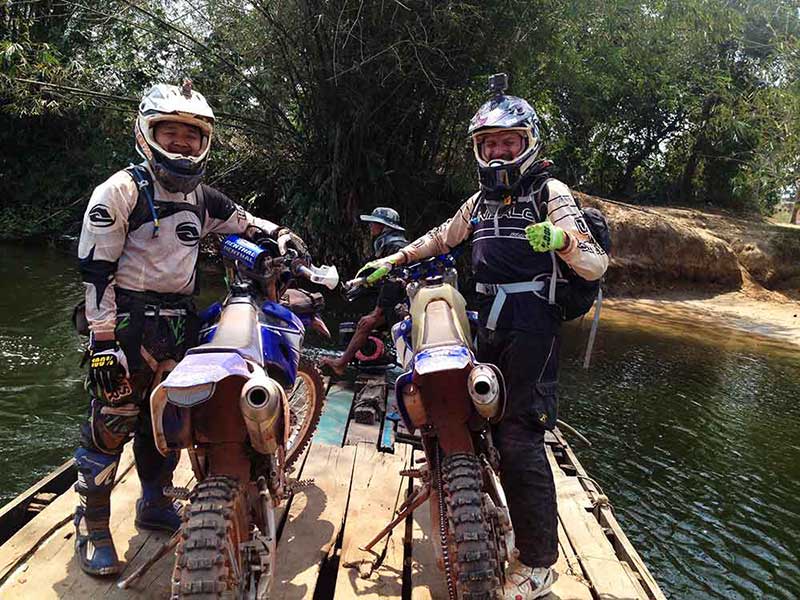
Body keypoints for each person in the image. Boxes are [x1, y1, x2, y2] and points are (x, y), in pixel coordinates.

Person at [357, 80, 608, 599]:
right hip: (487, 322)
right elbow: (441, 238)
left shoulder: (549, 193)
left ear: (527, 143)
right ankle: (484, 505)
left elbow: (595, 261)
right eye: (489, 143)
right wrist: (394, 259)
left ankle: (538, 563)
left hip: (533, 323)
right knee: (482, 417)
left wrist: (562, 240)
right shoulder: (479, 202)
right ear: (478, 148)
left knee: (519, 435)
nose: (498, 152)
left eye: (507, 142)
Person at [74, 81, 305, 576]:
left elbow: (246, 223)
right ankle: (91, 525)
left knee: (171, 420)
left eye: (191, 135)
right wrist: (103, 340)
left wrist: (283, 235)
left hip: (179, 322)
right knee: (112, 421)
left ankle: (154, 502)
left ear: (204, 143)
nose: (180, 143)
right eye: (170, 132)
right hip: (125, 324)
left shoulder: (203, 197)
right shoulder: (119, 191)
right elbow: (95, 271)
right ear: (146, 132)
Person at [319, 207, 408, 376]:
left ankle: (341, 363)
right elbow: (378, 276)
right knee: (362, 318)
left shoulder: (395, 247)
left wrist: (376, 313)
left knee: (365, 324)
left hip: (400, 303)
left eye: (375, 223)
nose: (371, 227)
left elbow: (392, 282)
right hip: (398, 301)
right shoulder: (389, 245)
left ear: (385, 227)